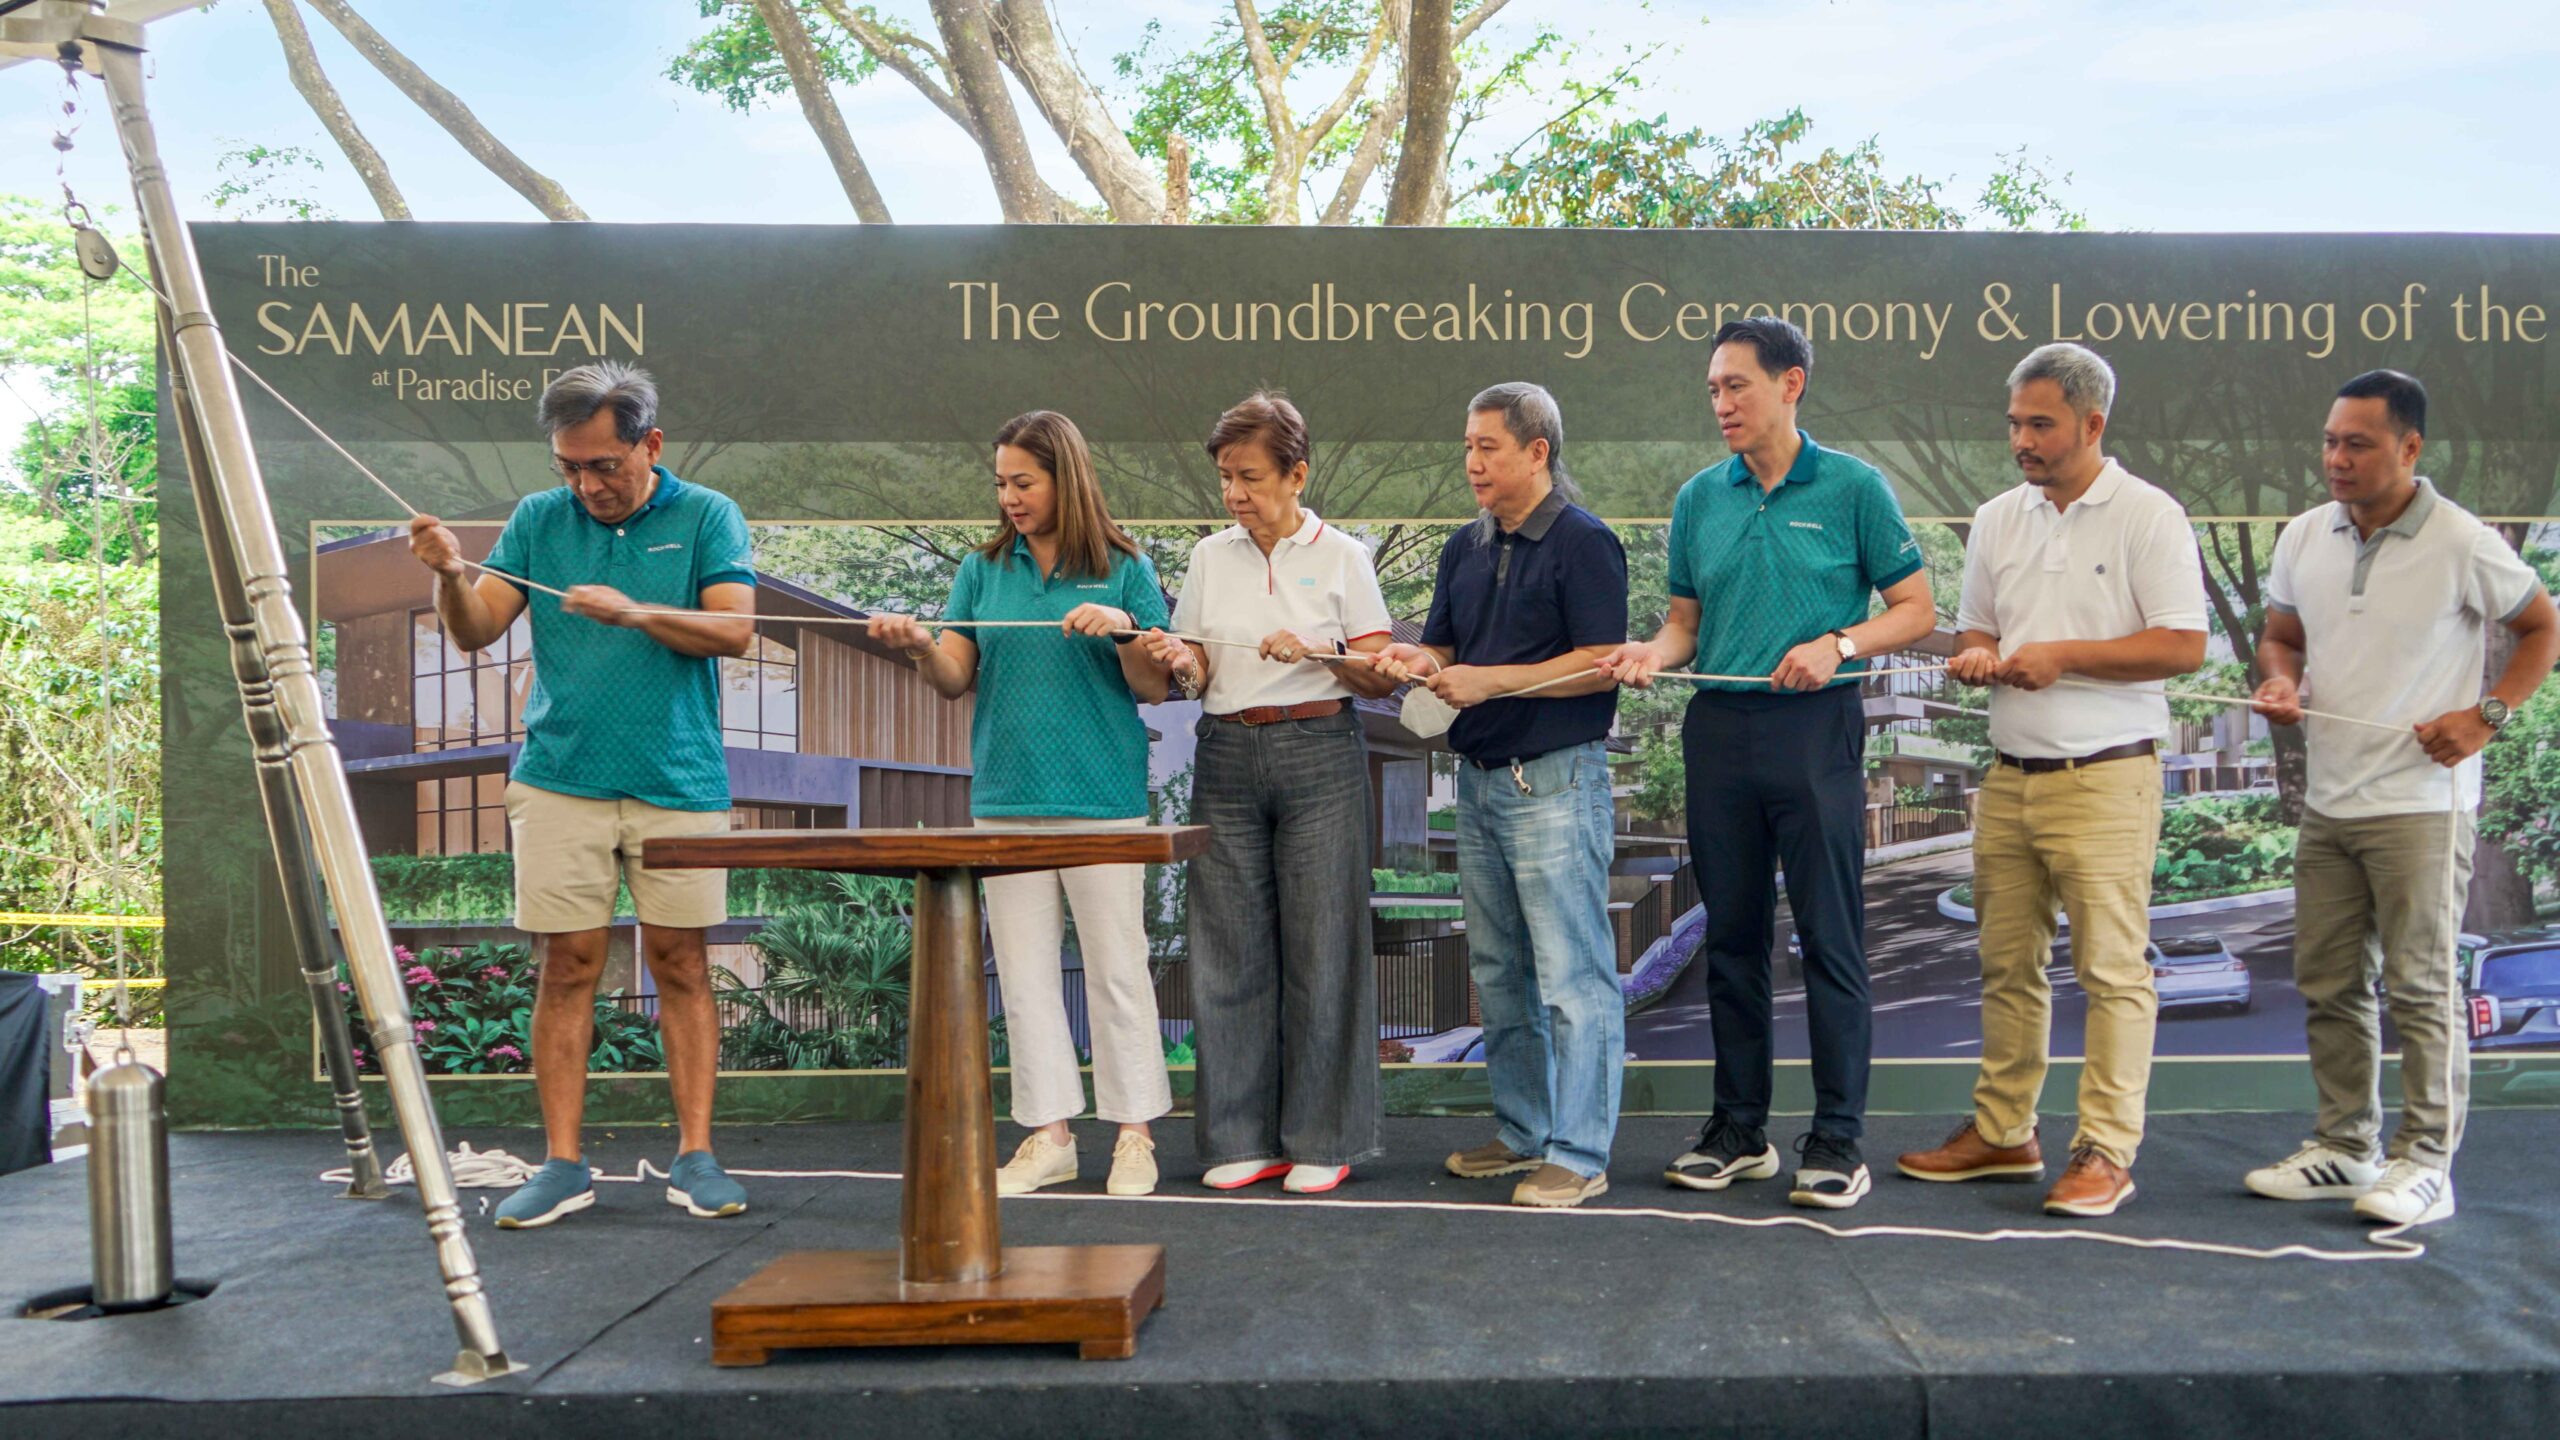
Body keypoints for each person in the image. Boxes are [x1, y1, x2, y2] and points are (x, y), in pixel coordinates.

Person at [405, 361, 756, 1229]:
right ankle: (563, 1165)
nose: (588, 483)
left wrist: (635, 611)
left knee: (681, 963)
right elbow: (477, 629)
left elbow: (736, 629)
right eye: (571, 466)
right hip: (559, 777)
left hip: (679, 779)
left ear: (650, 445)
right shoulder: (536, 519)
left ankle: (696, 1157)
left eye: (604, 464)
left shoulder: (706, 514)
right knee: (567, 969)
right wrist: (450, 574)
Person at [1596, 316, 1934, 1210]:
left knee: (1830, 937)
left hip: (1815, 728)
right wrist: (1650, 655)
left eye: (1735, 385)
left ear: (1791, 385)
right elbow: (1683, 626)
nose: (1720, 404)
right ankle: (1738, 1130)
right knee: (1733, 940)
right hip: (1718, 733)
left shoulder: (1856, 487)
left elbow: (1915, 609)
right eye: (1712, 388)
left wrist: (1839, 642)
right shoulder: (1699, 497)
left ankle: (1836, 1140)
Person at [1893, 344, 2207, 1217]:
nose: (2022, 441)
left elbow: (2184, 645)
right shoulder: (1997, 517)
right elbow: (1973, 636)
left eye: (2040, 425)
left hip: (2107, 777)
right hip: (2010, 776)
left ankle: (2106, 1151)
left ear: (2092, 424)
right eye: (2014, 425)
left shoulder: (2148, 514)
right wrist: (1974, 660)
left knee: (2113, 973)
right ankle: (2004, 1133)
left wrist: (2061, 658)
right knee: (2006, 965)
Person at [2243, 369, 2556, 1227]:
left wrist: (2486, 716)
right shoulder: (2306, 535)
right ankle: (2347, 1147)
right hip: (2332, 801)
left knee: (2420, 987)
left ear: (2409, 448)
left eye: (2358, 444)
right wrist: (2279, 683)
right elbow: (2281, 638)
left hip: (2424, 802)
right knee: (2330, 982)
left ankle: (2427, 1164)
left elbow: (2542, 626)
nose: (2335, 459)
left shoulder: (2461, 539)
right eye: (2330, 441)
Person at [866, 411, 1176, 1198]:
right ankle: (1049, 1136)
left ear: (1064, 479)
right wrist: (916, 647)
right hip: (1005, 797)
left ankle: (1134, 1135)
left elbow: (1154, 685)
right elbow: (952, 676)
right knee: (1027, 976)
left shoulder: (1124, 566)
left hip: (1102, 802)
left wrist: (1124, 630)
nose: (1008, 497)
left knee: (1116, 971)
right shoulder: (982, 569)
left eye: (1023, 482)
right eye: (1001, 482)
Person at [1137, 392, 1401, 1193]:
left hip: (1320, 748)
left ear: (1297, 474)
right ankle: (1238, 1138)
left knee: (1323, 947)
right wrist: (1178, 659)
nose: (1234, 494)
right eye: (1225, 477)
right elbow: (1201, 664)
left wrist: (1323, 649)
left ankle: (1326, 1136)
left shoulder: (1345, 556)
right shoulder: (1211, 557)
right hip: (1226, 750)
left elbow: (1379, 673)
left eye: (1249, 477)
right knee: (1228, 949)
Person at [1374, 382, 1629, 1208]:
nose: (1472, 462)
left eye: (1487, 447)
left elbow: (1599, 662)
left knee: (1572, 978)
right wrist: (1415, 663)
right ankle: (1524, 1136)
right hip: (1479, 787)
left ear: (1537, 451)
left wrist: (1492, 684)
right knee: (1502, 971)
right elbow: (1445, 647)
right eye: (1467, 447)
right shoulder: (1464, 546)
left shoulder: (1587, 543)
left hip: (1555, 782)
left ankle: (1581, 1154)